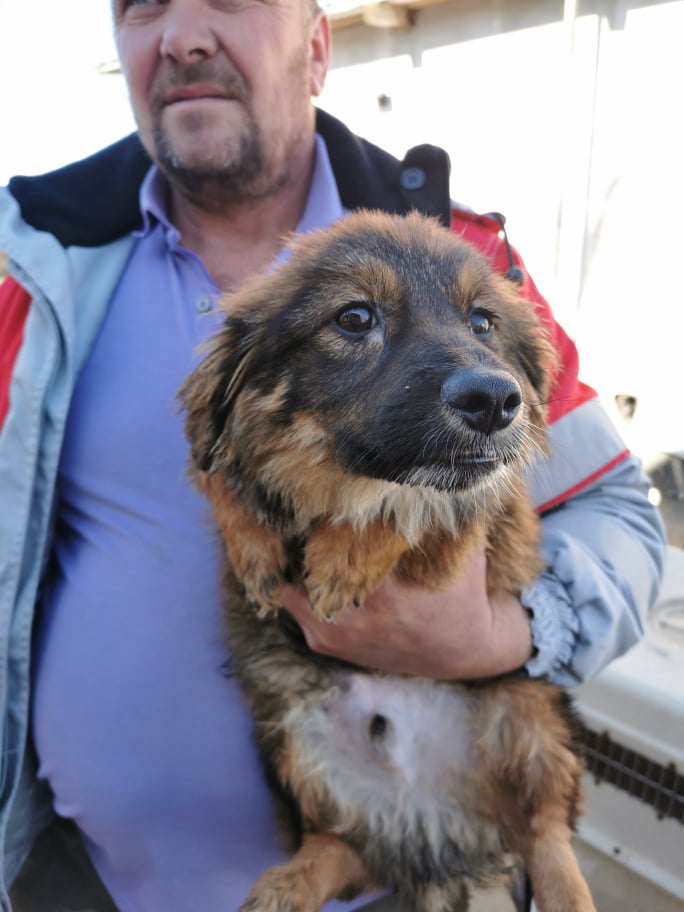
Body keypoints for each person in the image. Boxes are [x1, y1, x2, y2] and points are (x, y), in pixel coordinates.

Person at [0, 0, 665, 910]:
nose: (184, 35)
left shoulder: (464, 259)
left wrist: (502, 635)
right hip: (75, 878)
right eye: (142, 5)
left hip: (408, 876)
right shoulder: (30, 257)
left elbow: (623, 515)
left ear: (316, 48)